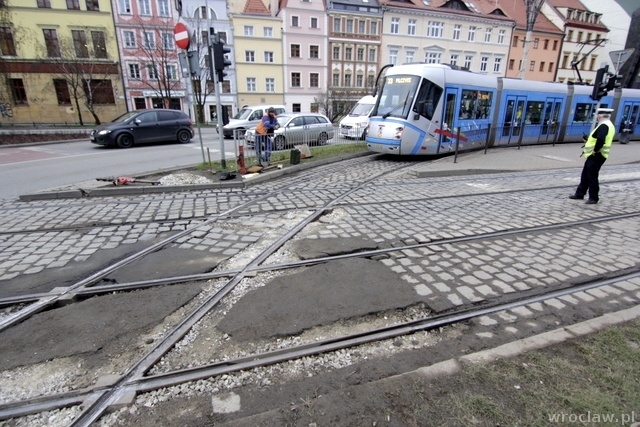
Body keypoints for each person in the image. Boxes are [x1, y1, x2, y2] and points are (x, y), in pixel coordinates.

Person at [569, 108, 615, 205]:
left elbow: (601, 139)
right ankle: (580, 193)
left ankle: (593, 197)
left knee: (592, 176)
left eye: (597, 116)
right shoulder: (609, 125)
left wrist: (595, 150)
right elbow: (598, 137)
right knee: (586, 174)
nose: (597, 118)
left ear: (600, 116)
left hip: (597, 155)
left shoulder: (604, 125)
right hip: (595, 155)